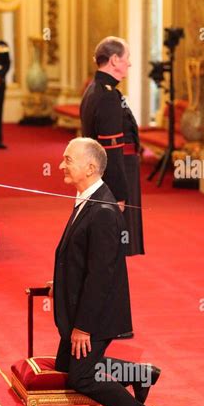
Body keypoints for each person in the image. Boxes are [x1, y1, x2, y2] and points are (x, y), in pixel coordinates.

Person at [48, 137, 160, 406]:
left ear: (91, 166)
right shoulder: (89, 198)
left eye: (67, 160)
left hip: (96, 315)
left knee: (82, 377)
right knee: (64, 364)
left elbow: (100, 276)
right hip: (84, 307)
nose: (61, 165)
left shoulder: (104, 212)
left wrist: (83, 327)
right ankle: (141, 374)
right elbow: (78, 259)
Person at [80, 36, 144, 256]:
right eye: (127, 58)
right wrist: (118, 194)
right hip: (114, 177)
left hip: (104, 176)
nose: (130, 63)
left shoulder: (96, 89)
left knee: (109, 243)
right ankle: (111, 291)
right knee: (111, 245)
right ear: (115, 60)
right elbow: (111, 151)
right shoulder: (107, 96)